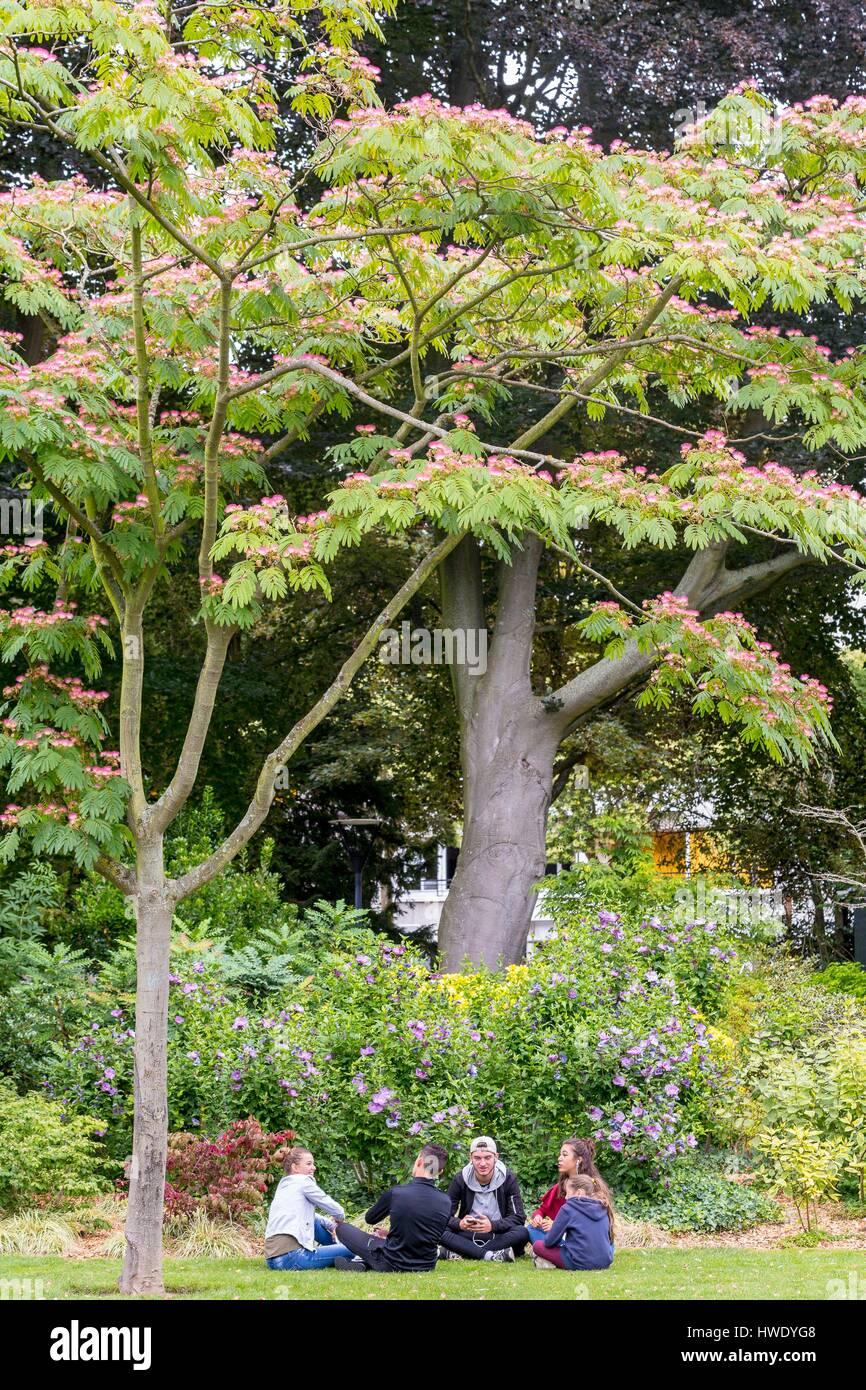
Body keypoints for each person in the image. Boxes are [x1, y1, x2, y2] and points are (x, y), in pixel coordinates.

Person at [333, 1144, 451, 1273]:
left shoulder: (397, 1193)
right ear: (440, 1171)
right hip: (426, 1265)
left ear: (420, 1161)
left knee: (342, 1228)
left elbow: (370, 1219)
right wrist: (390, 1233)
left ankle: (363, 1261)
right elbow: (427, 1234)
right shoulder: (446, 1201)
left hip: (392, 1263)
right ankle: (361, 1263)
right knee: (380, 1242)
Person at [439, 1135, 528, 1262]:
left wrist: (492, 1225)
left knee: (522, 1232)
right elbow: (444, 1216)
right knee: (440, 1230)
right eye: (477, 1158)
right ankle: (492, 1255)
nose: (482, 1163)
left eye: (487, 1158)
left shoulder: (508, 1178)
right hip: (468, 1233)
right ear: (470, 1158)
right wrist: (459, 1223)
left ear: (496, 1157)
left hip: (497, 1233)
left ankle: (463, 1251)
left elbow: (518, 1217)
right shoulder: (461, 1178)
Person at [264, 1145, 352, 1270]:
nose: (314, 1167)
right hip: (292, 1258)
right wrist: (339, 1220)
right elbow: (335, 1209)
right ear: (295, 1167)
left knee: (316, 1223)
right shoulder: (303, 1181)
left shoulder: (284, 1185)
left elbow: (311, 1217)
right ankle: (348, 1253)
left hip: (273, 1261)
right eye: (309, 1164)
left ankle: (339, 1250)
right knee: (353, 1248)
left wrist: (332, 1226)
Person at [525, 1136, 612, 1248]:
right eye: (560, 1154)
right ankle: (553, 1251)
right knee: (531, 1229)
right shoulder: (560, 1187)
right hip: (560, 1237)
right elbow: (542, 1210)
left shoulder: (592, 1186)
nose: (559, 1158)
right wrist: (538, 1217)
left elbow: (587, 1226)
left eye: (564, 1155)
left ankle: (551, 1252)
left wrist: (557, 1226)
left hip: (584, 1241)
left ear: (578, 1160)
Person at [531, 1173, 615, 1270]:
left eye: (567, 1193)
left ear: (579, 1193)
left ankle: (545, 1262)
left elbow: (550, 1242)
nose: (565, 1197)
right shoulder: (603, 1206)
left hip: (578, 1262)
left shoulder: (568, 1208)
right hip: (605, 1262)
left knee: (537, 1245)